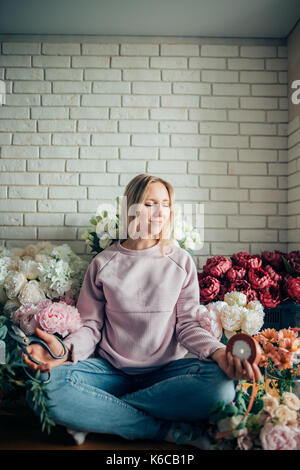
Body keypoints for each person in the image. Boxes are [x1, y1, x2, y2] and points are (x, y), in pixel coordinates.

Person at [24, 174, 262, 449]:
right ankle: (162, 429)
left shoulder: (181, 261)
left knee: (222, 388)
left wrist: (218, 352)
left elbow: (187, 326)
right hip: (110, 371)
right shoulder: (103, 263)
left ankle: (97, 415)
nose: (160, 211)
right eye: (150, 204)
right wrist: (61, 352)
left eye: (165, 204)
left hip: (168, 373)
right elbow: (90, 327)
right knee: (42, 386)